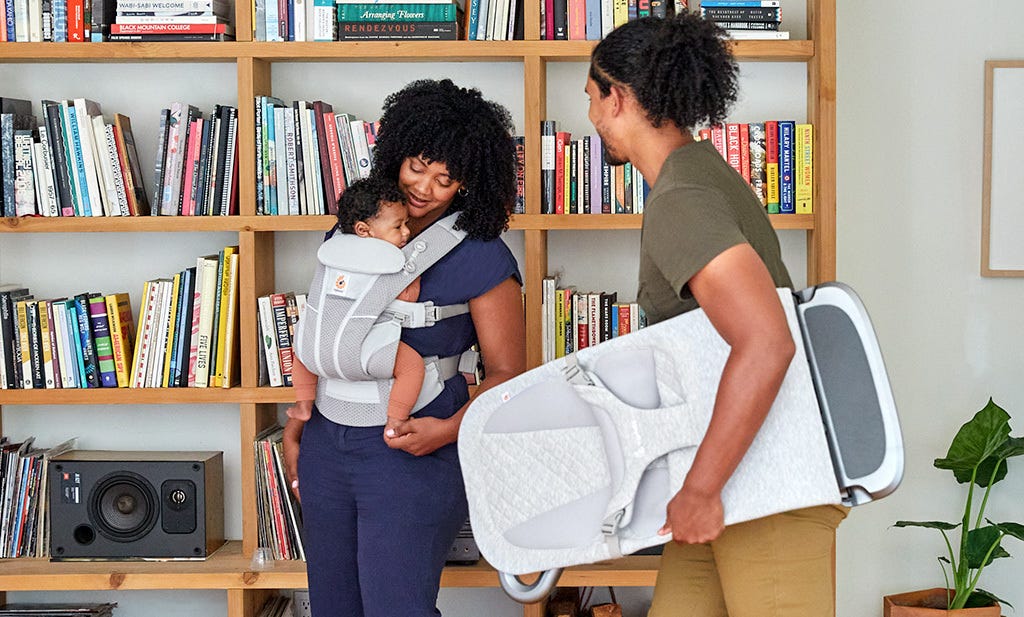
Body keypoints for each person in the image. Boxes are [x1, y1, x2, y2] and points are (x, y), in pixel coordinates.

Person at [584, 14, 847, 617]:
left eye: (592, 100)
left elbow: (766, 342)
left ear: (616, 96)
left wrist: (700, 489)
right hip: (728, 477)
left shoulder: (681, 199)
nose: (593, 118)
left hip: (768, 484)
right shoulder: (697, 174)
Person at [283, 79, 526, 617]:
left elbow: (509, 372)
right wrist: (299, 425)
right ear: (397, 153)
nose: (425, 188)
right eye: (418, 166)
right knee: (331, 608)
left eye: (445, 179)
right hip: (327, 441)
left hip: (413, 448)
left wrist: (447, 431)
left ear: (466, 184)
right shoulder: (351, 232)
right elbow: (325, 332)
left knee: (398, 609)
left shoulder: (481, 255)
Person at [287, 175, 426, 441]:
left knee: (302, 353)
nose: (407, 232)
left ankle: (304, 404)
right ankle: (397, 417)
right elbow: (407, 298)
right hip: (365, 344)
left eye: (407, 223)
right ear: (364, 230)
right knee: (412, 368)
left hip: (322, 339)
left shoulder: (333, 252)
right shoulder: (392, 263)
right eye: (398, 226)